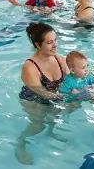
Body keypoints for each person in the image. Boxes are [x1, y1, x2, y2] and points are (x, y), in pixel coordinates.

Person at [16, 22, 69, 164]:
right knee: (38, 124)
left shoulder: (61, 60)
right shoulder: (30, 66)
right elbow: (42, 93)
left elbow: (71, 81)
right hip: (33, 100)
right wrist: (66, 96)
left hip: (55, 96)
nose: (55, 45)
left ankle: (50, 133)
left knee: (53, 118)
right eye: (49, 42)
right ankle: (20, 143)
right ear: (38, 45)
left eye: (55, 40)